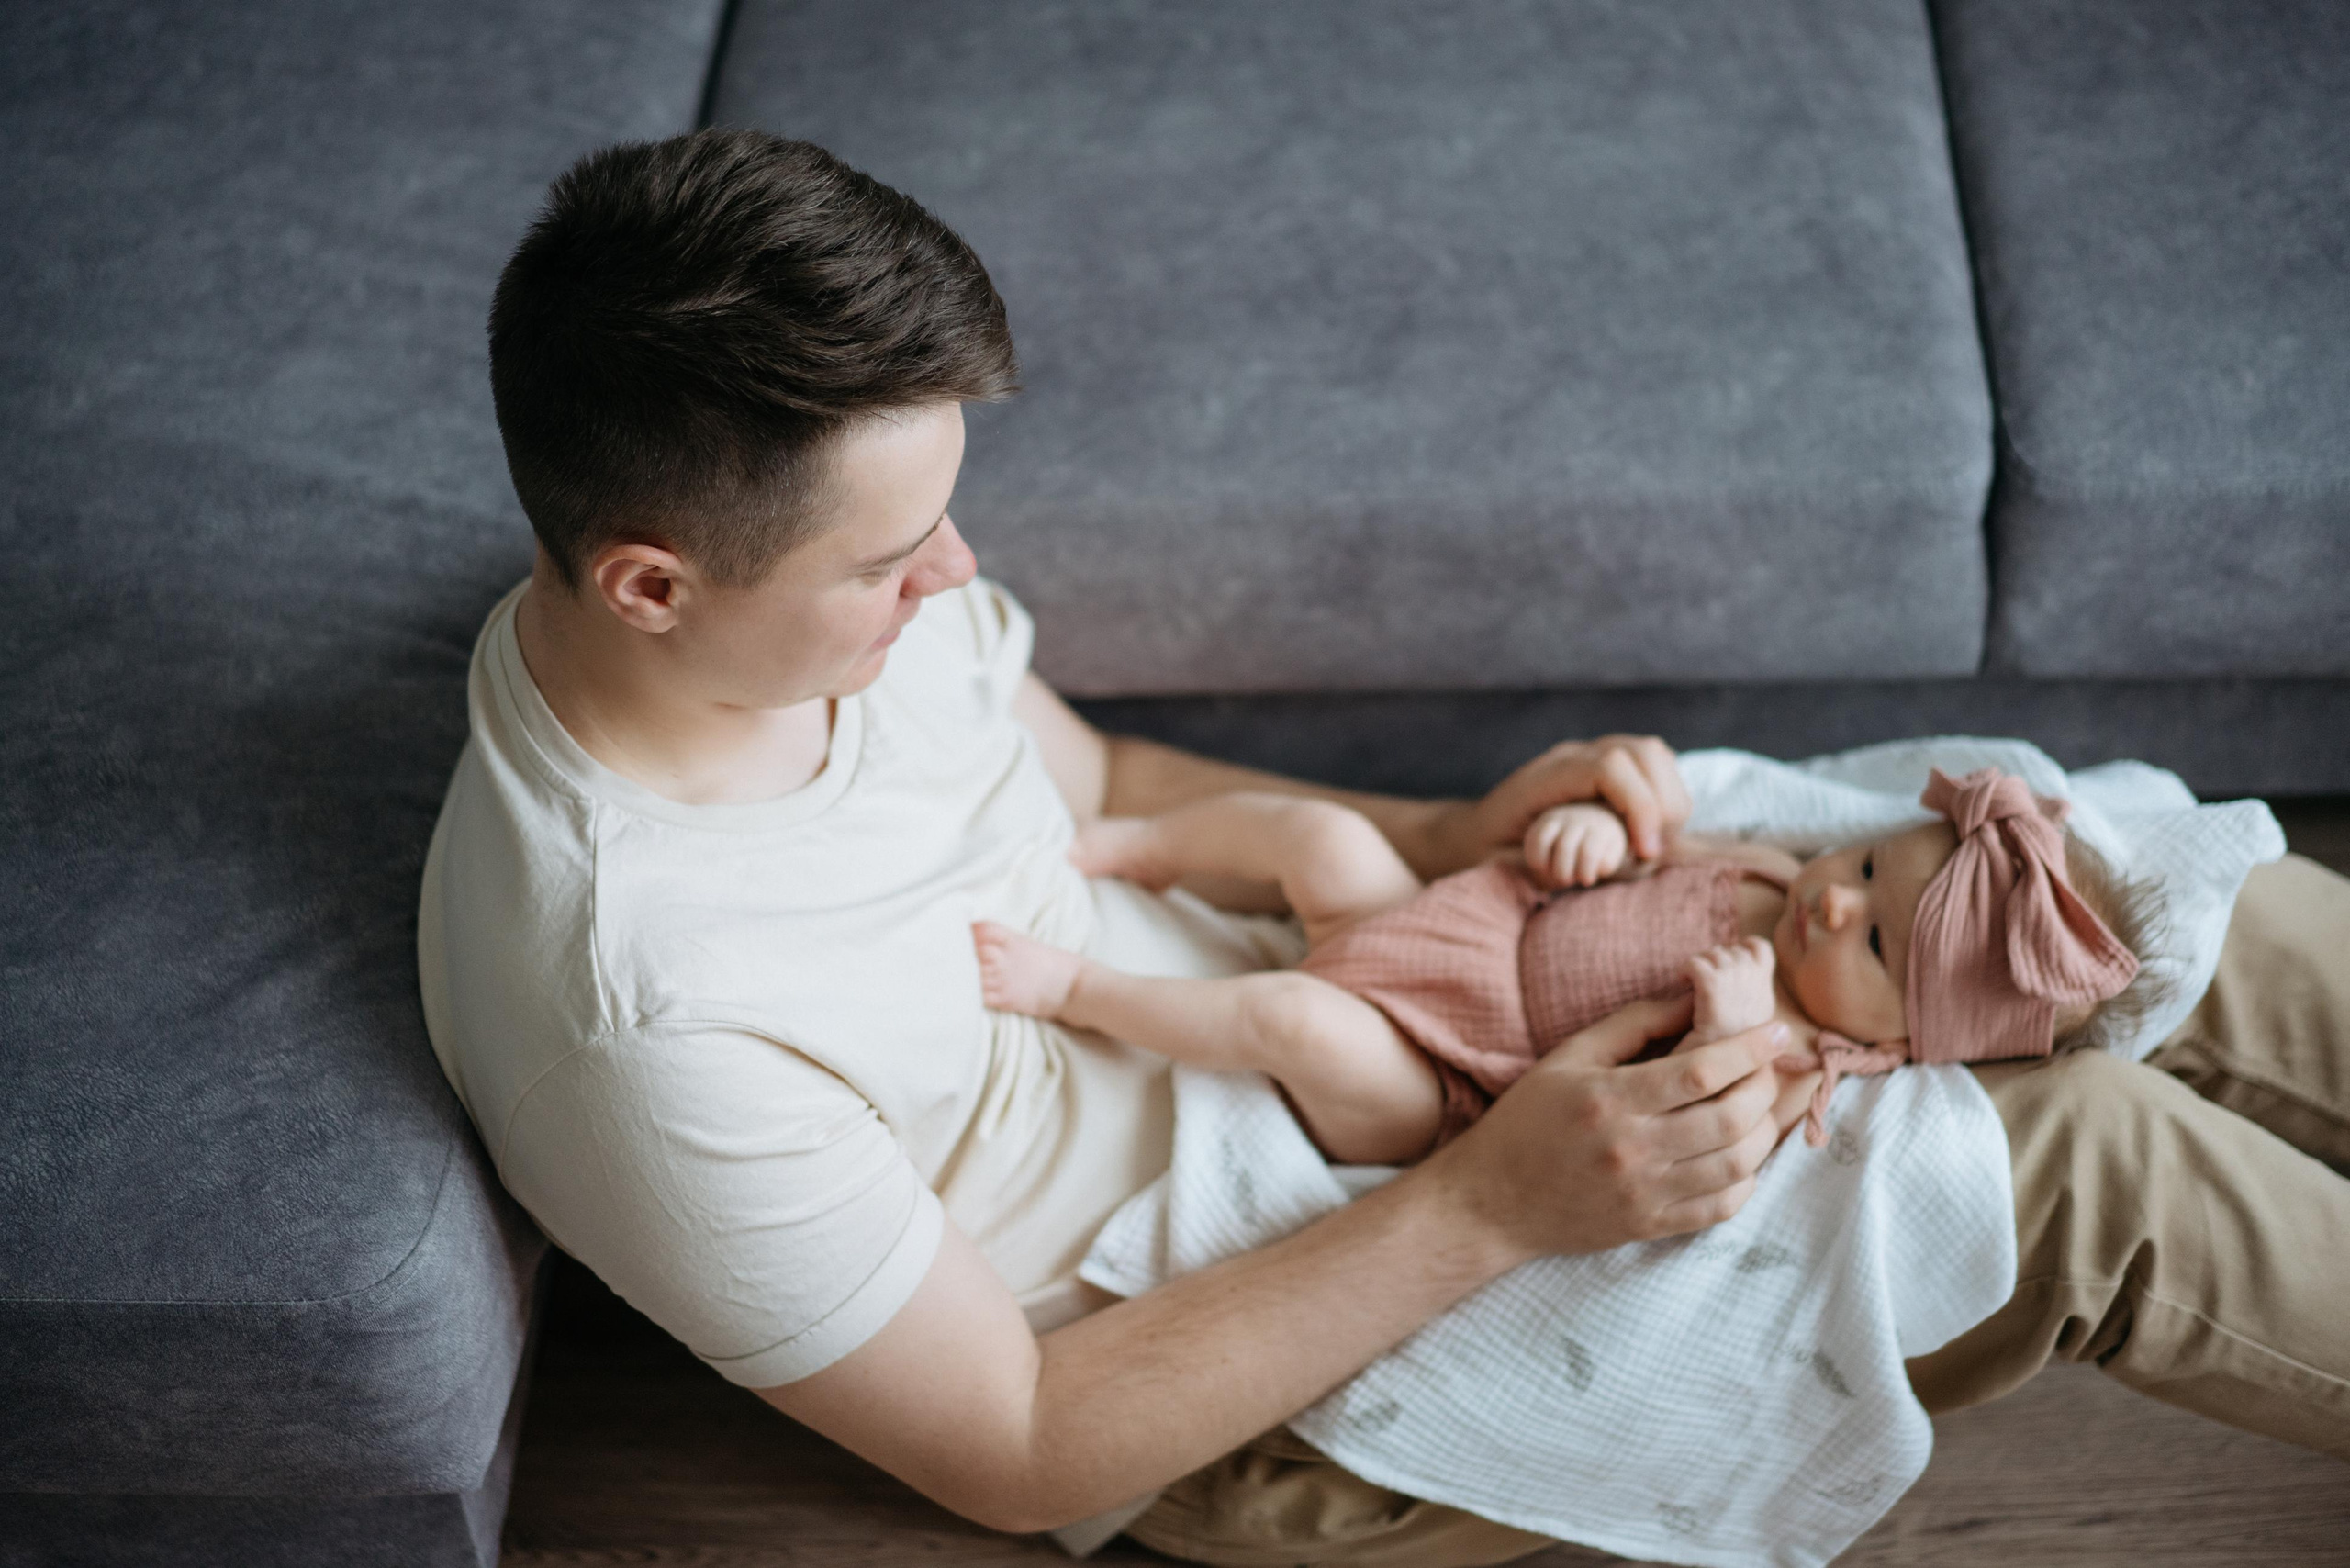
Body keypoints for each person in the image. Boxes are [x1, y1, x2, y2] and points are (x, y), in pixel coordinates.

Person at [418, 128, 2350, 1565]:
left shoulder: (817, 628)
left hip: (1389, 1013)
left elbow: (1098, 799)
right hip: (1264, 1349)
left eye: (944, 510)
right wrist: (1490, 1204)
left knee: (2109, 879)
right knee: (2078, 1166)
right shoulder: (637, 1005)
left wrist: (1457, 841)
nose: (963, 574)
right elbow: (1015, 1446)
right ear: (650, 581)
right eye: (890, 557)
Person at [972, 769, 2160, 1166]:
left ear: (1906, 1042)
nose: (1834, 897)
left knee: (1301, 1021)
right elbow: (1647, 857)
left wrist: (1727, 1037)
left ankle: (1075, 991)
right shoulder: (1765, 870)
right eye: (1858, 861)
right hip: (1459, 927)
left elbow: (1684, 1133)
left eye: (1879, 942)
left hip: (1447, 1078)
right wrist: (1590, 841)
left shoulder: (1801, 1054)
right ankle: (1135, 843)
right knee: (1323, 841)